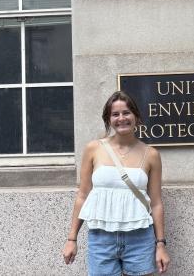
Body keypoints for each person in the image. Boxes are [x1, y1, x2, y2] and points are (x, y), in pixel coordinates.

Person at [63, 91, 170, 275]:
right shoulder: (94, 149)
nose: (122, 118)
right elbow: (83, 195)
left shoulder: (151, 154)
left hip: (140, 238)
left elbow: (156, 203)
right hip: (101, 238)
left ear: (135, 116)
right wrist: (72, 239)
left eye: (126, 112)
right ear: (108, 119)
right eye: (115, 114)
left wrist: (160, 245)